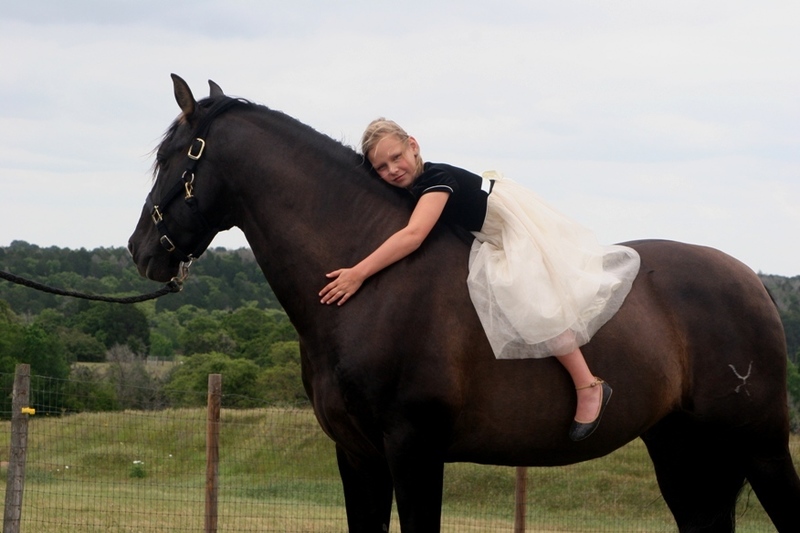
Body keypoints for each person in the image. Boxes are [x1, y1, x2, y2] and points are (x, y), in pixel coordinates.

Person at [319, 118, 640, 441]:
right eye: (381, 167)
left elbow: (414, 235)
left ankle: (588, 384)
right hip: (482, 233)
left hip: (509, 231)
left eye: (397, 157)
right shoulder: (413, 186)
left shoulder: (435, 179)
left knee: (529, 298)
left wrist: (358, 273)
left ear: (413, 146)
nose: (392, 169)